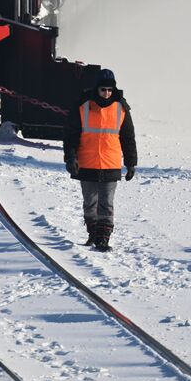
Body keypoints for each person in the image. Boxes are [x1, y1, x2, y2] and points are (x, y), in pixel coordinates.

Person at [63, 69, 137, 252]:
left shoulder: (121, 108)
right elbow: (71, 135)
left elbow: (128, 137)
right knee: (90, 203)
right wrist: (70, 158)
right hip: (87, 163)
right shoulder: (83, 106)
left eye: (110, 90)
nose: (107, 93)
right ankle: (93, 233)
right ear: (96, 88)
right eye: (103, 89)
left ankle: (103, 238)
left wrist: (131, 163)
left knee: (106, 204)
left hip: (111, 163)